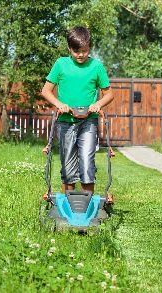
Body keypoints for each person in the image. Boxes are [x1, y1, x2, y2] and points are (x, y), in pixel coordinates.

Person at [41, 26, 113, 194]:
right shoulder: (61, 64)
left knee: (87, 161)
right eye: (76, 51)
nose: (80, 55)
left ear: (90, 48)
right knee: (67, 163)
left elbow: (109, 94)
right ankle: (67, 204)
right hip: (66, 122)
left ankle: (87, 204)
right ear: (69, 49)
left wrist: (98, 104)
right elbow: (45, 90)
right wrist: (59, 104)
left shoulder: (96, 67)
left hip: (89, 122)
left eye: (85, 51)